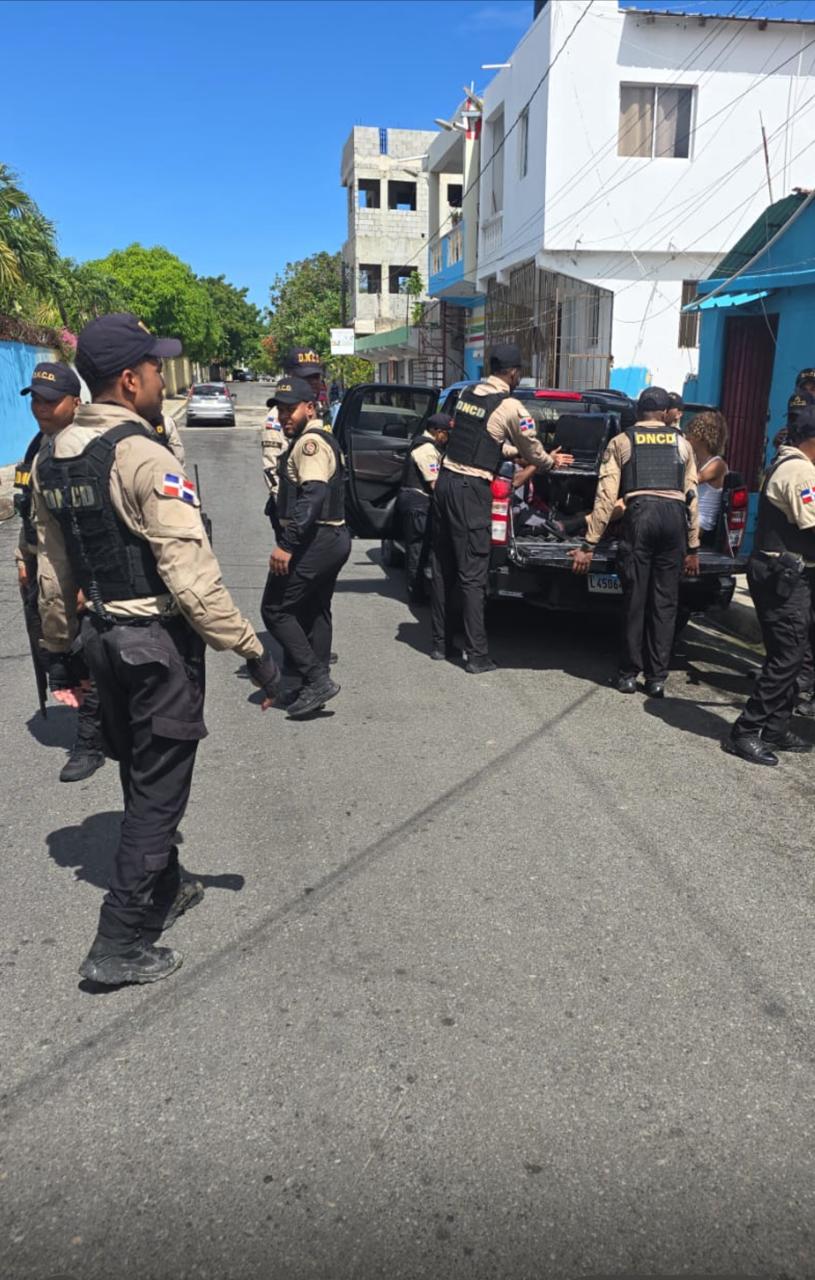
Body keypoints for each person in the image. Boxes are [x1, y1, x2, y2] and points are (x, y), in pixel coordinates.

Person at [32, 313, 279, 986]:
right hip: (155, 646)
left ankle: (167, 888)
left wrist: (59, 648)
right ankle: (118, 941)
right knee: (157, 798)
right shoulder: (142, 456)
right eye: (154, 368)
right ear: (130, 380)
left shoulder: (54, 455)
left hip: (101, 640)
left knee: (139, 776)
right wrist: (253, 653)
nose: (160, 379)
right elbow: (192, 577)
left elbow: (52, 569)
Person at [430, 342, 574, 673]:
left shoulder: (468, 394)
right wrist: (549, 462)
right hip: (470, 491)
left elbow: (482, 438)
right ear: (514, 373)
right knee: (473, 575)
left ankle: (440, 643)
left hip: (446, 482)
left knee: (443, 568)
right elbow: (533, 448)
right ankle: (477, 655)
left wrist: (512, 454)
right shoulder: (511, 407)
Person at [570, 386, 700, 697]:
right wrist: (693, 547)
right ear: (665, 413)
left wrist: (589, 544)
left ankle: (628, 675)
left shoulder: (622, 441)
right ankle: (656, 680)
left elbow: (605, 498)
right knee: (665, 603)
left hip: (640, 517)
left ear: (638, 410)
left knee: (635, 600)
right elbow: (692, 497)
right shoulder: (682, 444)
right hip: (674, 520)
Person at [15, 362, 106, 782]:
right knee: (65, 653)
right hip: (49, 566)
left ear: (76, 402)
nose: (41, 407)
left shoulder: (91, 446)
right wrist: (23, 558)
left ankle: (90, 743)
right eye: (35, 399)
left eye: (50, 400)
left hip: (91, 571)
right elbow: (31, 513)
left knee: (92, 653)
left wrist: (90, 580)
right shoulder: (38, 449)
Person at [724, 405, 815, 766]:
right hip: (784, 577)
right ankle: (746, 731)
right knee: (787, 657)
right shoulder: (800, 471)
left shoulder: (790, 462)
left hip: (787, 574)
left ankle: (775, 728)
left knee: (796, 656)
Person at [260, 376, 350, 718]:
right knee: (314, 610)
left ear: (310, 408)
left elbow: (313, 494)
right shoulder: (312, 438)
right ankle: (306, 685)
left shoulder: (310, 443)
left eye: (291, 409)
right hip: (330, 538)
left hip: (316, 539)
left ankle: (315, 679)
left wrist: (287, 544)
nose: (284, 416)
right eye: (280, 410)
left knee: (275, 609)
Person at [397, 412, 450, 601]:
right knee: (417, 550)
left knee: (420, 548)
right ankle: (416, 592)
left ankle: (418, 588)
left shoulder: (428, 445)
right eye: (446, 433)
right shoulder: (426, 449)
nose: (448, 437)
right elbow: (434, 483)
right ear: (436, 431)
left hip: (417, 502)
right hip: (418, 504)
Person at [686, 410, 728, 547]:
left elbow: (691, 480)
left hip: (702, 522)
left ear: (702, 436)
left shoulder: (717, 464)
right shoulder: (695, 461)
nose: (687, 437)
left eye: (691, 433)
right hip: (690, 517)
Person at [282, 347, 331, 427]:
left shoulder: (320, 409)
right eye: (307, 377)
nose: (314, 382)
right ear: (290, 377)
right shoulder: (281, 415)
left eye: (316, 377)